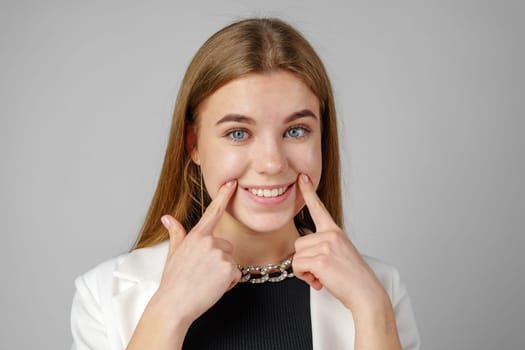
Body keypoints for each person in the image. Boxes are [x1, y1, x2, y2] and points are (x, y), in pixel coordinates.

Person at [70, 18, 420, 350]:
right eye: (238, 133)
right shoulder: (104, 292)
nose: (271, 163)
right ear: (192, 143)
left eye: (296, 131)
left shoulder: (379, 288)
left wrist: (371, 308)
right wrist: (168, 310)